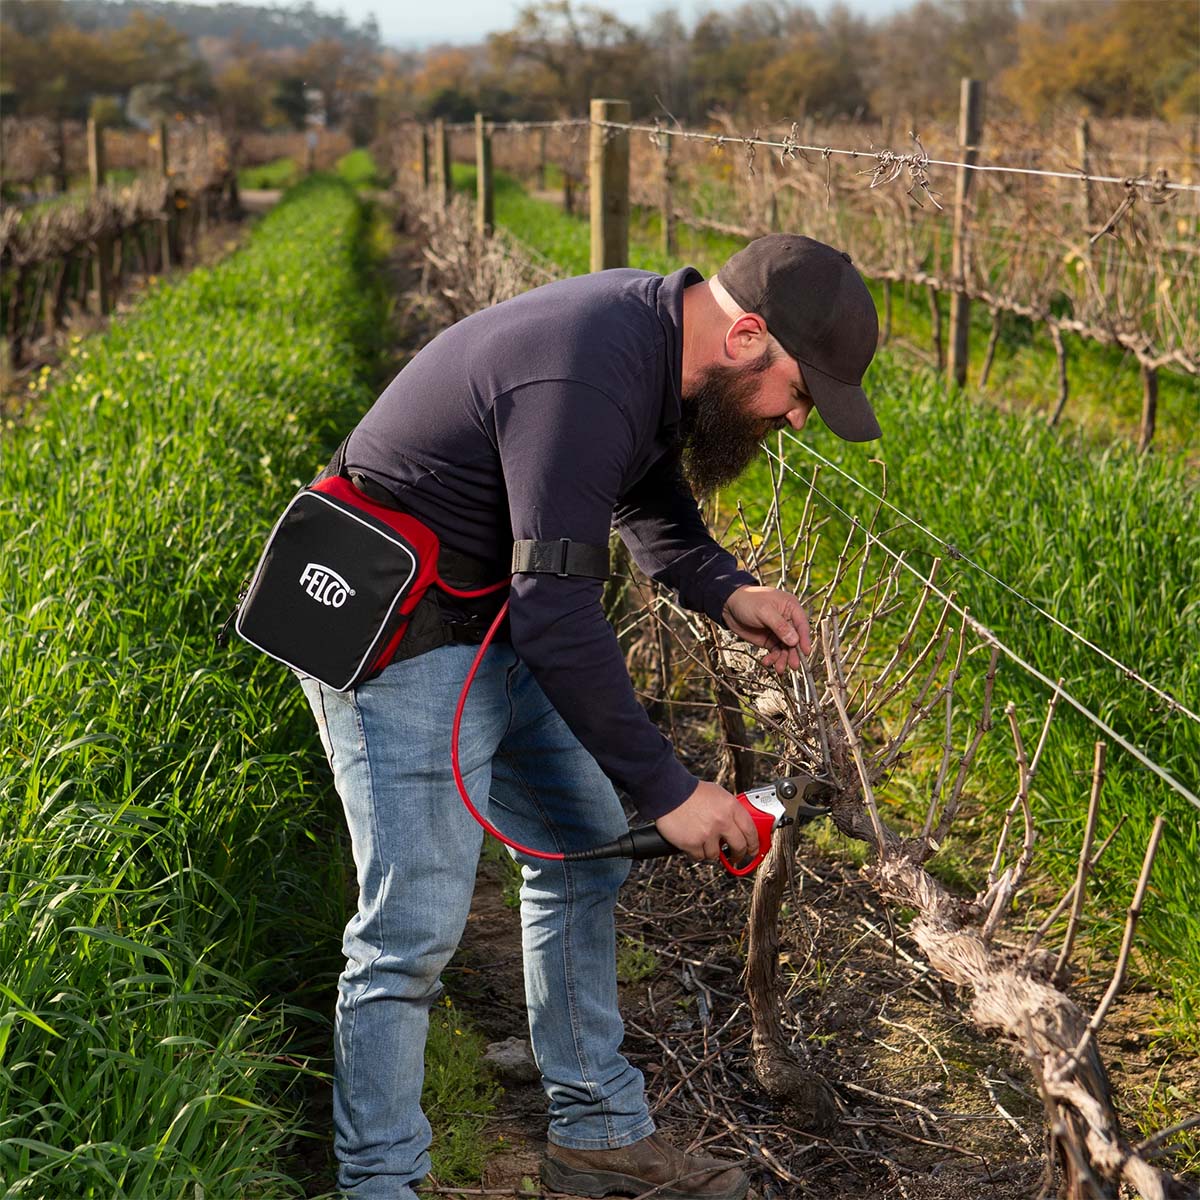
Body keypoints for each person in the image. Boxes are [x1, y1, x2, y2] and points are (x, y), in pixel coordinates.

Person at [296, 233, 880, 1200]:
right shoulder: (587, 371)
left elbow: (649, 502)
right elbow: (558, 616)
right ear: (745, 337)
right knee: (410, 932)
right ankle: (380, 1182)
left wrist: (727, 590)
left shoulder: (655, 347)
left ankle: (598, 1136)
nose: (797, 419)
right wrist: (671, 791)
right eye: (800, 394)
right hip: (398, 632)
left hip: (486, 615)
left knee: (580, 849)